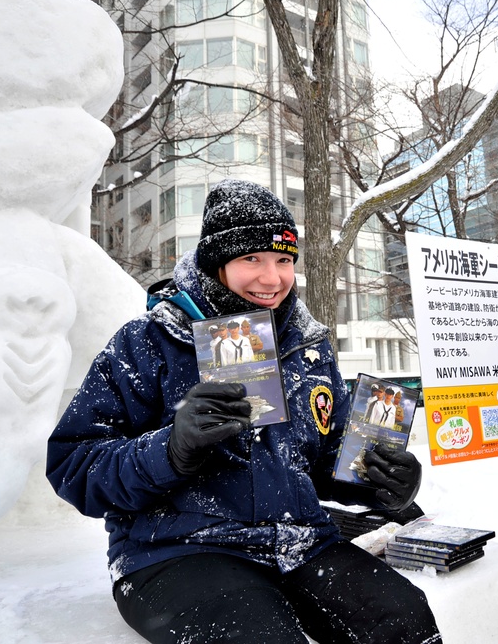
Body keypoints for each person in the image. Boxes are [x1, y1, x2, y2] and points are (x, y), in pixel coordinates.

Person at [47, 179, 440, 644]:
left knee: (403, 618)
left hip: (298, 542)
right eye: (251, 259)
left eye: (283, 260)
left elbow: (321, 462)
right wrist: (170, 450)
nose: (271, 278)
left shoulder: (308, 347)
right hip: (176, 551)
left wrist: (383, 483)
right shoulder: (145, 343)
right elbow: (73, 466)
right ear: (217, 264)